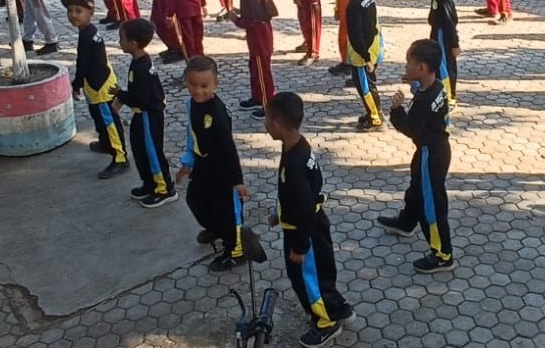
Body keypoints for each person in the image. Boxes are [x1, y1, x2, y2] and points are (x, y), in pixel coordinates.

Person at [264, 92, 355, 347]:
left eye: (267, 119)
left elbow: (303, 207)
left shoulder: (294, 163)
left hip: (304, 231)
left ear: (277, 124)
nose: (264, 124)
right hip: (313, 223)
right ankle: (338, 306)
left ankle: (325, 323)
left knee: (306, 280)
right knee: (323, 272)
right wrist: (279, 214)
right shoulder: (299, 145)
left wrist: (300, 247)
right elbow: (304, 191)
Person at [377, 39, 455, 272]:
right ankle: (406, 222)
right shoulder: (436, 86)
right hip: (434, 149)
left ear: (421, 67)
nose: (405, 67)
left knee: (432, 204)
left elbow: (411, 129)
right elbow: (422, 94)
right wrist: (413, 84)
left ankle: (442, 254)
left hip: (431, 154)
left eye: (408, 63)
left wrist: (396, 110)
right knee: (416, 189)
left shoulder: (424, 102)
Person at [176, 56, 248, 272]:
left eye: (204, 86)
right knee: (195, 199)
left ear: (216, 83)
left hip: (222, 169)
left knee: (226, 211)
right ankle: (215, 227)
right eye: (193, 85)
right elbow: (192, 135)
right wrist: (188, 162)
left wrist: (237, 180)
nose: (198, 91)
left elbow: (228, 148)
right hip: (202, 164)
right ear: (185, 81)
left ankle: (235, 250)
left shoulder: (217, 112)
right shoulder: (191, 104)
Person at [61, 0, 129, 179]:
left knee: (109, 122)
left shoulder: (88, 35)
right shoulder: (87, 32)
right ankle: (105, 143)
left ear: (90, 13)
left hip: (101, 87)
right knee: (98, 118)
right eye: (70, 11)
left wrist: (76, 83)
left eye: (78, 11)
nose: (73, 15)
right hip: (93, 84)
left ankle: (120, 157)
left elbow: (83, 63)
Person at [112, 18, 178, 208]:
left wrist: (120, 94)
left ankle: (165, 189)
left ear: (133, 43)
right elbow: (138, 92)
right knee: (140, 150)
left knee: (152, 152)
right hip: (141, 114)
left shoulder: (142, 66)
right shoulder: (138, 61)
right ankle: (150, 183)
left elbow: (140, 99)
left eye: (121, 38)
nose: (119, 42)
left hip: (149, 115)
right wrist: (123, 97)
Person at [228, 0, 278, 120]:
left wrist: (235, 18)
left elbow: (249, 20)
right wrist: (240, 11)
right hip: (258, 38)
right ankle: (257, 97)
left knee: (262, 71)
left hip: (259, 40)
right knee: (254, 68)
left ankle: (268, 103)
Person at [340, 0, 384, 131]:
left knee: (365, 87)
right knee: (369, 83)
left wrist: (366, 58)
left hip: (362, 55)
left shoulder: (354, 5)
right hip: (373, 47)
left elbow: (356, 35)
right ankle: (372, 112)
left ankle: (376, 119)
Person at [425, 0, 460, 108]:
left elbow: (450, 22)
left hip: (443, 36)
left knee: (444, 66)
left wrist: (454, 44)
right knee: (439, 65)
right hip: (437, 34)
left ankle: (449, 98)